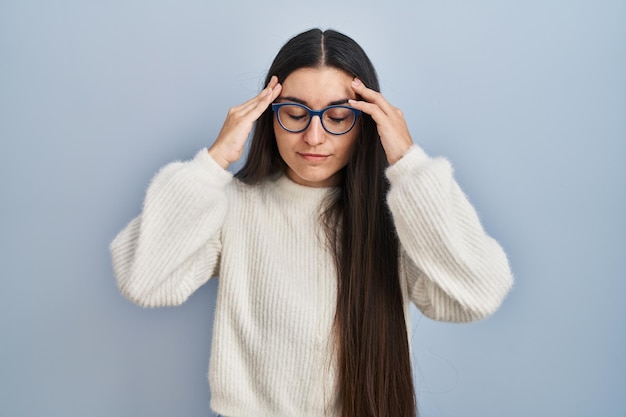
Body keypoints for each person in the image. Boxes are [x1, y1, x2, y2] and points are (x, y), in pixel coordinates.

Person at [110, 28, 513, 417]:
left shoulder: (401, 216)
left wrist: (409, 163)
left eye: (338, 116)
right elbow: (143, 281)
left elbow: (477, 295)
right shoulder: (231, 204)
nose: (314, 137)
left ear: (369, 123)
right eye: (295, 114)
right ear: (269, 116)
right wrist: (214, 161)